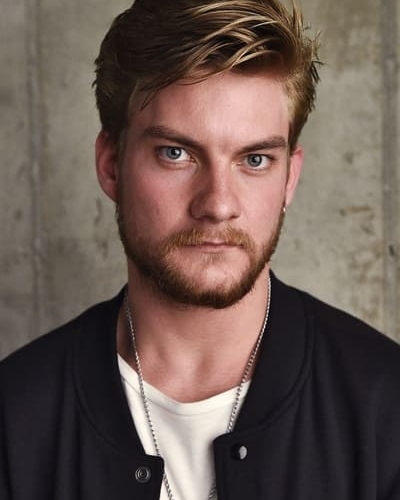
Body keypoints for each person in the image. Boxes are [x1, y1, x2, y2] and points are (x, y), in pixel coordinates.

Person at [1, 0, 400, 499]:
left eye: (255, 159)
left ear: (290, 178)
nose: (217, 204)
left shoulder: (386, 407)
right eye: (176, 153)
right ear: (110, 164)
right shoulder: (14, 418)